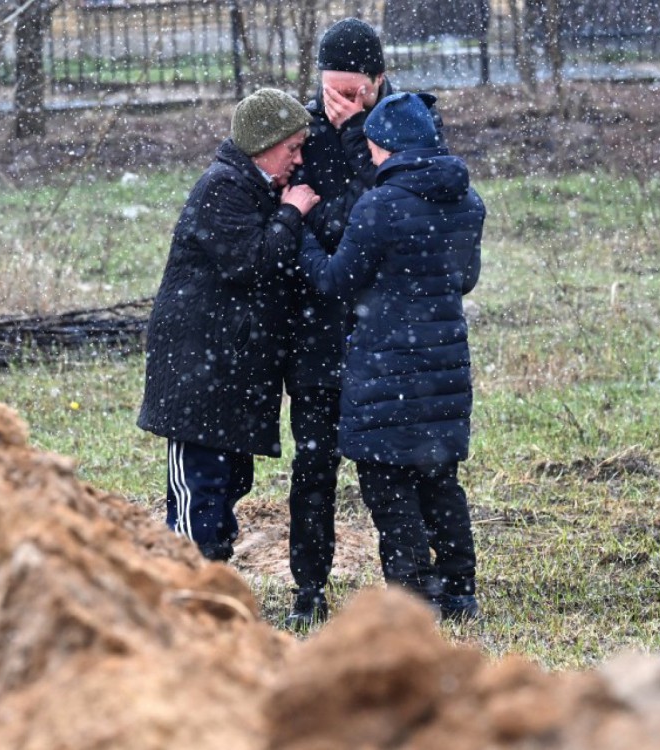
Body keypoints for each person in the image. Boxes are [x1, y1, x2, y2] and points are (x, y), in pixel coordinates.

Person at [282, 16, 446, 629]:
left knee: (404, 467)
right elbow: (301, 212)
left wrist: (336, 214)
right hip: (320, 331)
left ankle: (417, 587)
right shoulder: (303, 133)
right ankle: (308, 588)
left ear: (381, 78)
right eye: (334, 91)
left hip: (391, 336)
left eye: (357, 91)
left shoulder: (411, 128)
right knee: (314, 466)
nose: (344, 103)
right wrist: (337, 223)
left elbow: (386, 217)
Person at [298, 91, 485, 622]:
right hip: (444, 367)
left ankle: (411, 592)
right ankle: (460, 591)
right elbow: (463, 279)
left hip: (387, 368)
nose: (372, 160)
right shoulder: (467, 202)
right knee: (440, 480)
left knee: (388, 481)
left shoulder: (379, 206)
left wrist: (304, 234)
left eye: (374, 150)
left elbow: (336, 281)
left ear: (388, 147)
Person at [138, 88, 320, 562]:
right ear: (263, 144)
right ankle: (188, 581)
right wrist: (291, 213)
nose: (298, 160)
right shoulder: (223, 187)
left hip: (226, 369)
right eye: (292, 148)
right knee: (200, 484)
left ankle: (210, 574)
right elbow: (252, 264)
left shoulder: (253, 186)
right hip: (198, 371)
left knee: (229, 478)